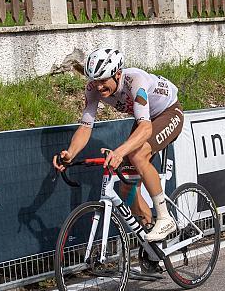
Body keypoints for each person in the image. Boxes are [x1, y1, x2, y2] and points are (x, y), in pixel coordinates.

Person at [53, 48, 183, 241]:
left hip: (168, 112)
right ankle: (151, 239)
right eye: (95, 81)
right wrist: (71, 153)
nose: (98, 87)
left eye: (103, 80)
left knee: (138, 156)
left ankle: (165, 218)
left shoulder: (135, 81)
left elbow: (146, 129)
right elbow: (85, 127)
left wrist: (120, 152)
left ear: (118, 74)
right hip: (144, 119)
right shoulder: (92, 90)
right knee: (127, 187)